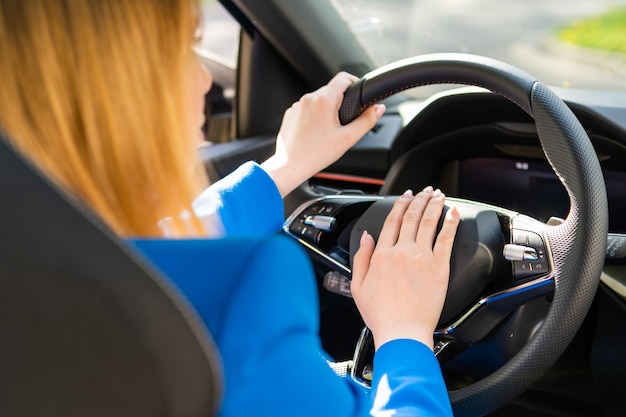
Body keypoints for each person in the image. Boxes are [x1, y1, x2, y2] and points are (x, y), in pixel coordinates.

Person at [0, 0, 461, 416]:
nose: (205, 80)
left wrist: (283, 167)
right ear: (116, 89)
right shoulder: (244, 292)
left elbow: (150, 252)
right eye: (183, 50)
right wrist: (405, 335)